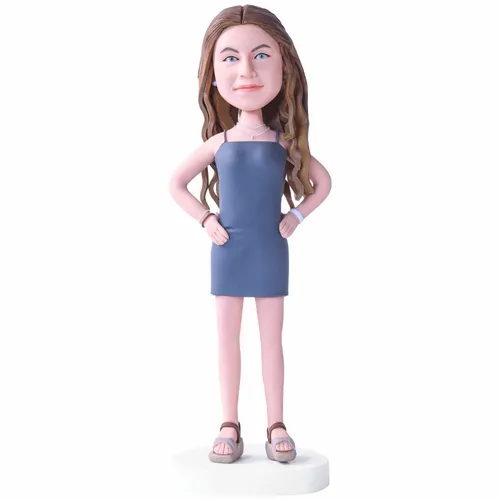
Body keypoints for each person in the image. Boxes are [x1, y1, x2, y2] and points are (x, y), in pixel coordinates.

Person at [169, 4, 332, 464]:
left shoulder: (284, 144)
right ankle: (229, 422)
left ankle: (276, 422)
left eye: (261, 56)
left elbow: (323, 184)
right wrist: (206, 219)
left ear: (284, 67)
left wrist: (296, 215)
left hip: (269, 249)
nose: (246, 71)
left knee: (271, 341)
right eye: (230, 58)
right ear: (213, 76)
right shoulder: (218, 143)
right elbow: (175, 184)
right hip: (228, 249)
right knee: (227, 340)